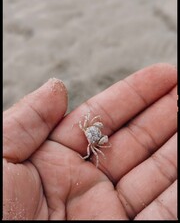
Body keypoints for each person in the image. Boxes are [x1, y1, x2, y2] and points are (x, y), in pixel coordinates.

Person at [3, 63, 177, 220]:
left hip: (89, 135)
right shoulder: (91, 131)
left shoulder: (92, 135)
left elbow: (94, 144)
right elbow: (92, 139)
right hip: (89, 134)